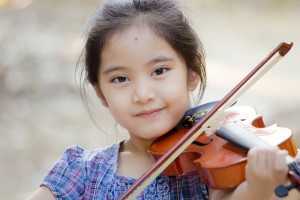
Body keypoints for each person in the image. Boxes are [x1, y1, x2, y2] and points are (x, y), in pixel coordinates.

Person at [27, 0, 300, 199]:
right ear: (101, 93)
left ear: (191, 73)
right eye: (120, 79)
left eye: (159, 71)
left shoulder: (213, 176)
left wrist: (259, 187)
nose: (143, 95)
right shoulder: (81, 172)